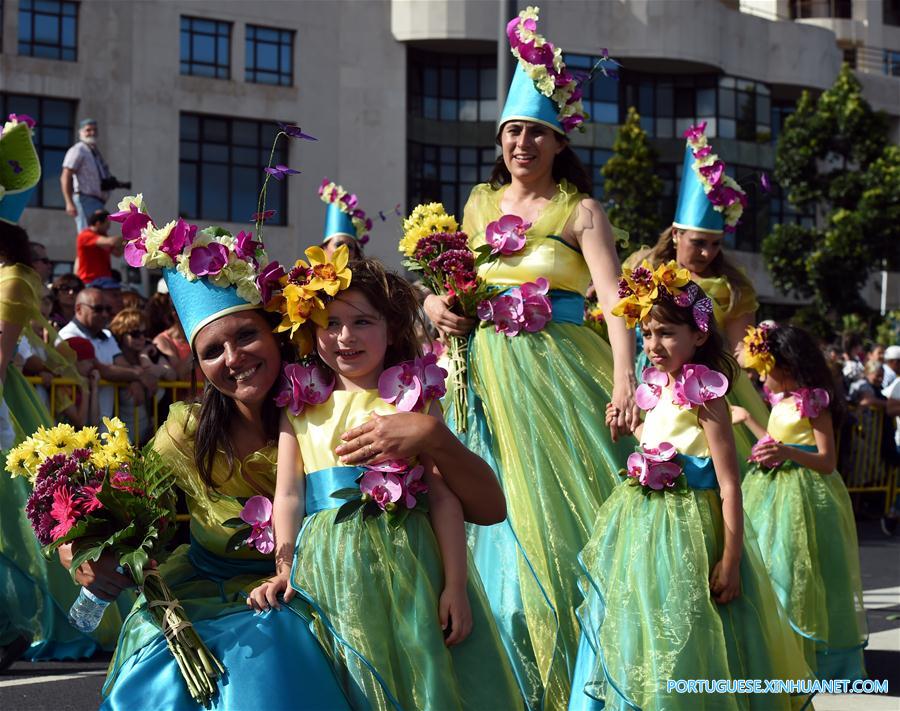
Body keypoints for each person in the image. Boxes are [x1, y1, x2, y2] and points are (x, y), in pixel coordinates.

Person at [418, 12, 635, 707]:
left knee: (560, 513)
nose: (522, 142)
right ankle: (495, 661)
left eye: (535, 131)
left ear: (558, 140)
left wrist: (627, 378)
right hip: (480, 376)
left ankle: (579, 665)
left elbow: (617, 300)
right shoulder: (477, 203)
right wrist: (433, 309)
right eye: (513, 130)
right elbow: (445, 288)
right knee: (483, 501)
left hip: (559, 378)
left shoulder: (582, 211)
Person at [66, 215, 355, 711]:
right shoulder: (187, 429)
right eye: (212, 351)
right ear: (198, 366)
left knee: (270, 662)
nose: (233, 358)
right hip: (196, 590)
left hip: (298, 595)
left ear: (276, 335)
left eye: (246, 336)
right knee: (159, 676)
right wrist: (84, 557)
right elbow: (121, 504)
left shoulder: (323, 414)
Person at [251, 257, 522, 709]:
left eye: (362, 321)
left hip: (410, 565)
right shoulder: (298, 404)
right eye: (329, 322)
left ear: (391, 328)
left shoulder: (415, 400)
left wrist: (455, 584)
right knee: (347, 676)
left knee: (415, 673)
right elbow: (289, 494)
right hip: (327, 568)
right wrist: (284, 566)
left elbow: (442, 498)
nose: (345, 336)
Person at [568, 269, 813, 710]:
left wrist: (732, 560)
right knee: (644, 622)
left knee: (691, 631)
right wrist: (628, 427)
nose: (653, 345)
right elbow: (658, 439)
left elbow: (729, 485)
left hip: (693, 534)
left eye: (666, 333)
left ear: (699, 335)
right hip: (643, 532)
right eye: (645, 333)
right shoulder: (656, 389)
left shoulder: (708, 397)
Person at [0, 215, 122, 668]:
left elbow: (3, 354)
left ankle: (33, 622)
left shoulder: (12, 280)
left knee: (17, 519)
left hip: (6, 406)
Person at [625, 123, 769, 467]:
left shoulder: (732, 288)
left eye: (715, 244)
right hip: (645, 381)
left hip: (703, 389)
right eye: (698, 243)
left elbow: (739, 354)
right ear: (676, 235)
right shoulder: (642, 272)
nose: (707, 253)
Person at [734, 324, 867, 681]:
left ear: (788, 367)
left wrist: (786, 451)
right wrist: (749, 422)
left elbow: (826, 460)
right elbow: (776, 444)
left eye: (765, 370)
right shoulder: (780, 403)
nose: (762, 379)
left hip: (807, 496)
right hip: (773, 493)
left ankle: (818, 658)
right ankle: (784, 653)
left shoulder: (813, 402)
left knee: (806, 572)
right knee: (776, 569)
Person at [57, 287, 156, 422]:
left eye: (108, 309)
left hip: (103, 423)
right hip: (75, 425)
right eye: (98, 309)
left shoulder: (107, 335)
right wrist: (137, 375)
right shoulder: (67, 336)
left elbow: (122, 364)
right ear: (79, 309)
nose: (104, 314)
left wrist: (133, 379)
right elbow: (99, 369)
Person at [108, 308, 176, 443]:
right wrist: (135, 377)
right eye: (135, 334)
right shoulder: (114, 356)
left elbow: (172, 375)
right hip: (122, 438)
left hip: (151, 434)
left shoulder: (150, 351)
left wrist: (144, 356)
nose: (141, 338)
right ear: (121, 334)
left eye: (144, 333)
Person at [61, 118, 115, 231]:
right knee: (87, 234)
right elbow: (66, 175)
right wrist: (68, 202)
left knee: (98, 236)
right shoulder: (78, 149)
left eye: (94, 130)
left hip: (98, 201)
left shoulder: (94, 151)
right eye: (88, 130)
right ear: (80, 132)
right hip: (84, 198)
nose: (92, 132)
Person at [317, 178, 370, 259]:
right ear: (324, 249)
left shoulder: (368, 272)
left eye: (350, 247)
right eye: (338, 245)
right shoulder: (310, 271)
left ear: (355, 254)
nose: (344, 250)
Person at [76, 209, 123, 285]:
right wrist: (127, 236)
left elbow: (117, 253)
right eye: (107, 225)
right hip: (89, 280)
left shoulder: (103, 237)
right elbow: (111, 242)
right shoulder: (85, 235)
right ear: (98, 223)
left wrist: (126, 243)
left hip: (105, 279)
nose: (108, 228)